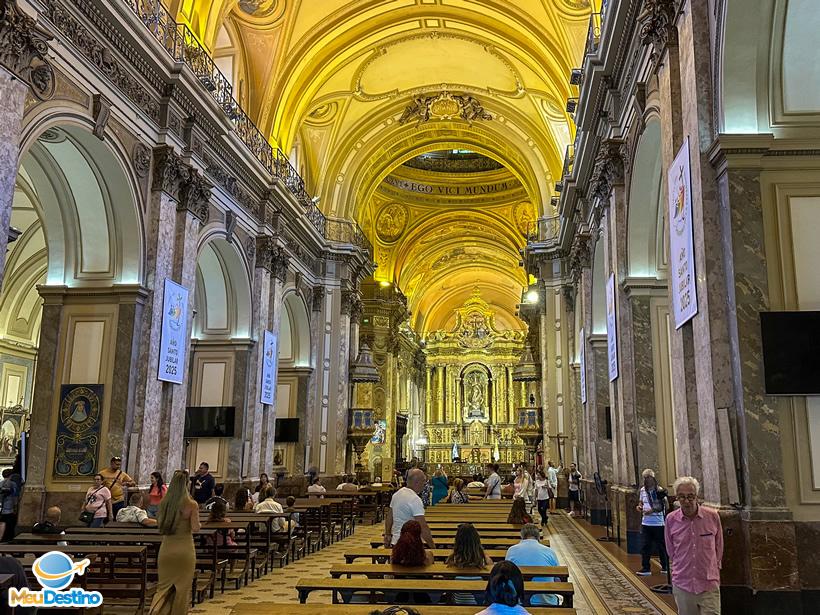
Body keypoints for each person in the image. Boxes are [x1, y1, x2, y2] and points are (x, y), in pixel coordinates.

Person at [665, 476, 723, 615]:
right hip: (683, 583)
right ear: (677, 498)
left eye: (690, 496)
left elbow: (719, 547)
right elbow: (671, 550)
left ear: (697, 496)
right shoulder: (671, 520)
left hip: (708, 583)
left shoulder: (712, 517)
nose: (686, 501)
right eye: (682, 497)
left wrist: (715, 568)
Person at [149, 469, 200, 614]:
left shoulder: (164, 503)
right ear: (186, 484)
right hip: (184, 550)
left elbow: (160, 523)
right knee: (182, 590)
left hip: (167, 550)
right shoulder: (191, 504)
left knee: (163, 588)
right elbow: (195, 528)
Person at [504, 523, 561, 606]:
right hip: (545, 600)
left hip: (518, 600)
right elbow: (558, 578)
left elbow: (506, 575)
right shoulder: (549, 551)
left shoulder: (512, 550)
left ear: (522, 536)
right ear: (538, 536)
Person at [384, 467, 436, 548]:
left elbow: (389, 516)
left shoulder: (397, 494)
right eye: (423, 482)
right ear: (417, 482)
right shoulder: (414, 499)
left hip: (395, 541)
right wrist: (432, 545)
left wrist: (387, 534)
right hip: (410, 544)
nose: (424, 485)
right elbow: (422, 526)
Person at [445, 523, 493, 605]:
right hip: (479, 603)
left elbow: (447, 583)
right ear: (476, 539)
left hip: (458, 601)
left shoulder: (452, 560)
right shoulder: (485, 560)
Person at [636, 468, 669, 576]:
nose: (647, 480)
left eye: (649, 477)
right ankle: (646, 568)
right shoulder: (642, 490)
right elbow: (641, 502)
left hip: (658, 523)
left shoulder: (659, 491)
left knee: (661, 546)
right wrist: (640, 507)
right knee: (645, 546)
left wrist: (653, 510)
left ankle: (665, 567)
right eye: (645, 478)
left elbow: (665, 506)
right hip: (646, 522)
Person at [0, 468, 19, 541]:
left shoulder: (0, 483)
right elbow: (15, 496)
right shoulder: (13, 483)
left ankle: (2, 538)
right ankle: (9, 539)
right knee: (10, 526)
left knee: (2, 524)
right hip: (10, 508)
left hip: (2, 508)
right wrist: (15, 507)